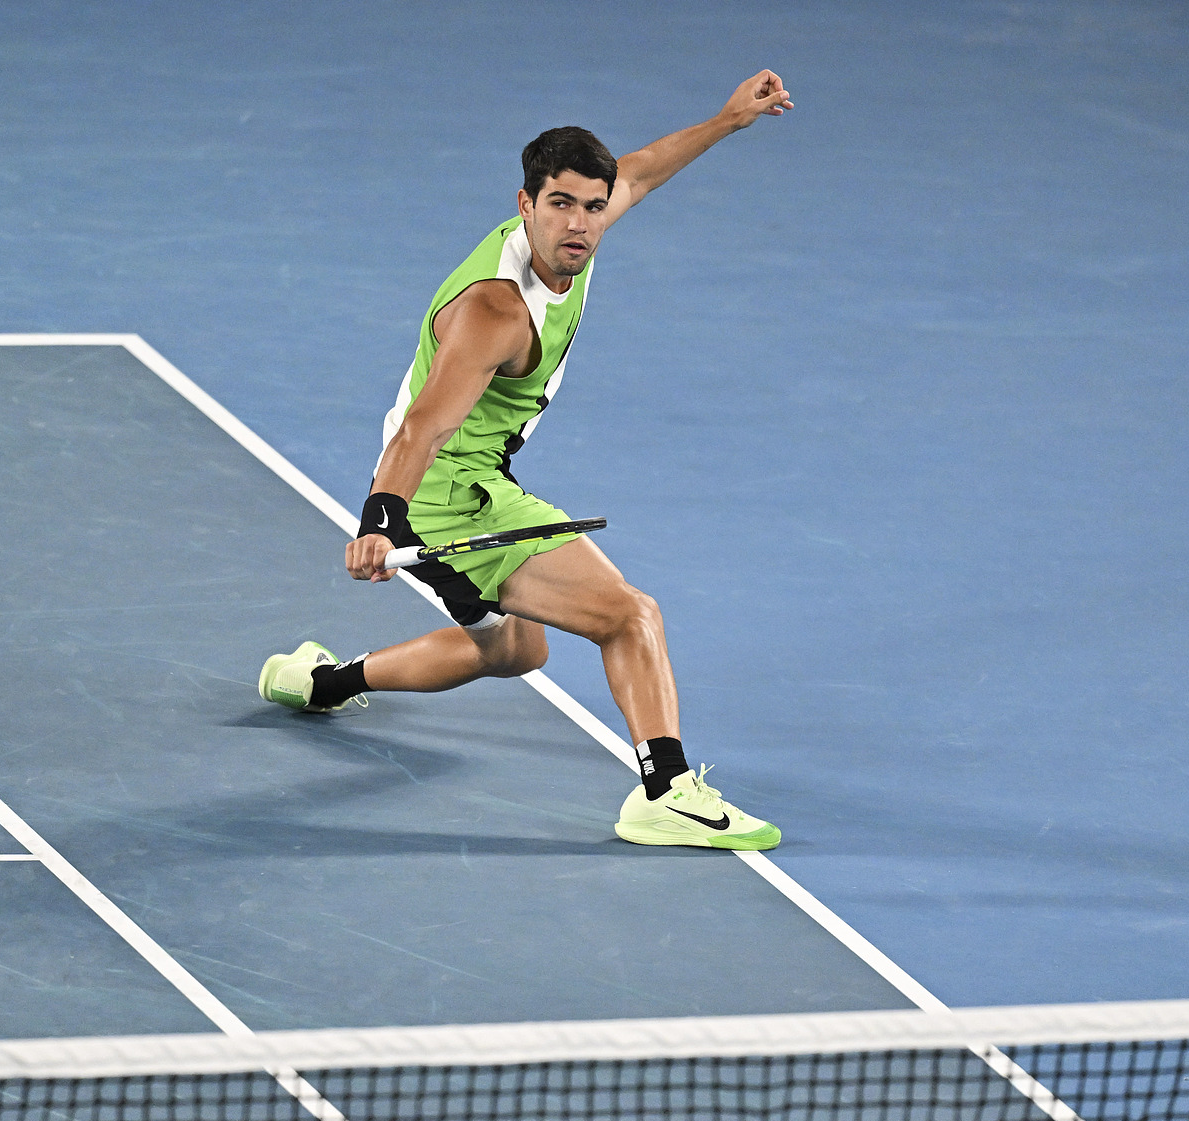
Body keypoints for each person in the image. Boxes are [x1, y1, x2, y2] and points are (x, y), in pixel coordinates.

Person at [260, 72, 794, 851]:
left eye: (593, 205)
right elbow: (422, 429)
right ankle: (666, 791)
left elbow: (640, 168)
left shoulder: (584, 228)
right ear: (526, 205)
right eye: (561, 205)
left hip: (481, 479)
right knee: (628, 614)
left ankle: (319, 682)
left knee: (516, 649)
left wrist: (726, 120)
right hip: (444, 497)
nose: (580, 223)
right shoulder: (496, 311)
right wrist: (383, 519)